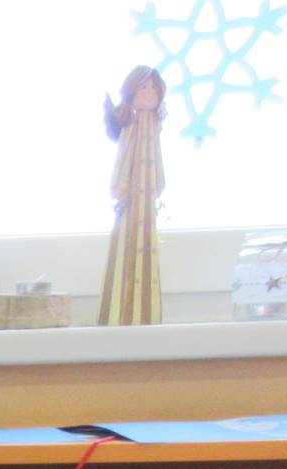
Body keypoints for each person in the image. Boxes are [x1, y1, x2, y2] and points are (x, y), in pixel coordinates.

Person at [98, 65, 167, 325]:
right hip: (130, 201)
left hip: (147, 201)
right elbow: (124, 160)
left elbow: (156, 160)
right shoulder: (132, 128)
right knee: (126, 254)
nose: (149, 93)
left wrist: (157, 186)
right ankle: (122, 314)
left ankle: (146, 315)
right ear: (132, 91)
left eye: (153, 88)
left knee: (147, 251)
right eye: (143, 87)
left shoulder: (153, 125)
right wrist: (121, 191)